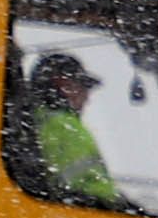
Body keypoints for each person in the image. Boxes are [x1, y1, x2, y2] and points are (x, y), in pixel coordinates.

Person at [20, 51, 124, 207]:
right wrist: (120, 206)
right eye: (82, 88)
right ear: (63, 85)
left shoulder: (36, 120)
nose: (86, 99)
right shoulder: (64, 127)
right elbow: (90, 187)